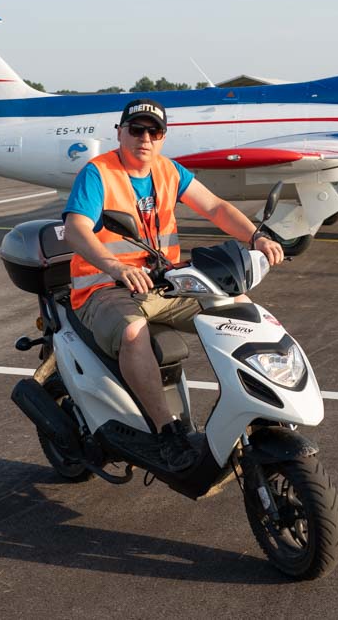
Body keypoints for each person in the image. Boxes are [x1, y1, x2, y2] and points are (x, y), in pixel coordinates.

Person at [63, 98, 284, 470]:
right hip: (104, 287)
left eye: (154, 131)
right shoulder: (98, 173)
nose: (145, 138)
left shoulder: (168, 170)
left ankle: (260, 403)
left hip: (163, 284)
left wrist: (257, 237)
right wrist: (115, 266)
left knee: (241, 308)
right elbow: (76, 229)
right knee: (133, 332)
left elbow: (214, 207)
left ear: (163, 137)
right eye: (136, 130)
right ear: (120, 133)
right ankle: (167, 430)